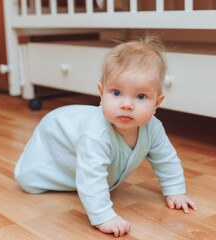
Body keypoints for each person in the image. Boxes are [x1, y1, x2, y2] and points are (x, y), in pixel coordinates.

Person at [14, 36, 198, 237]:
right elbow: (91, 175)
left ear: (157, 103)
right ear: (101, 94)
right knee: (30, 180)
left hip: (76, 139)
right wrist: (104, 216)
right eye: (116, 93)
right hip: (54, 136)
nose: (126, 105)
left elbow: (166, 158)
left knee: (90, 175)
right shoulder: (95, 134)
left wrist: (175, 191)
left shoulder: (153, 128)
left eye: (141, 96)